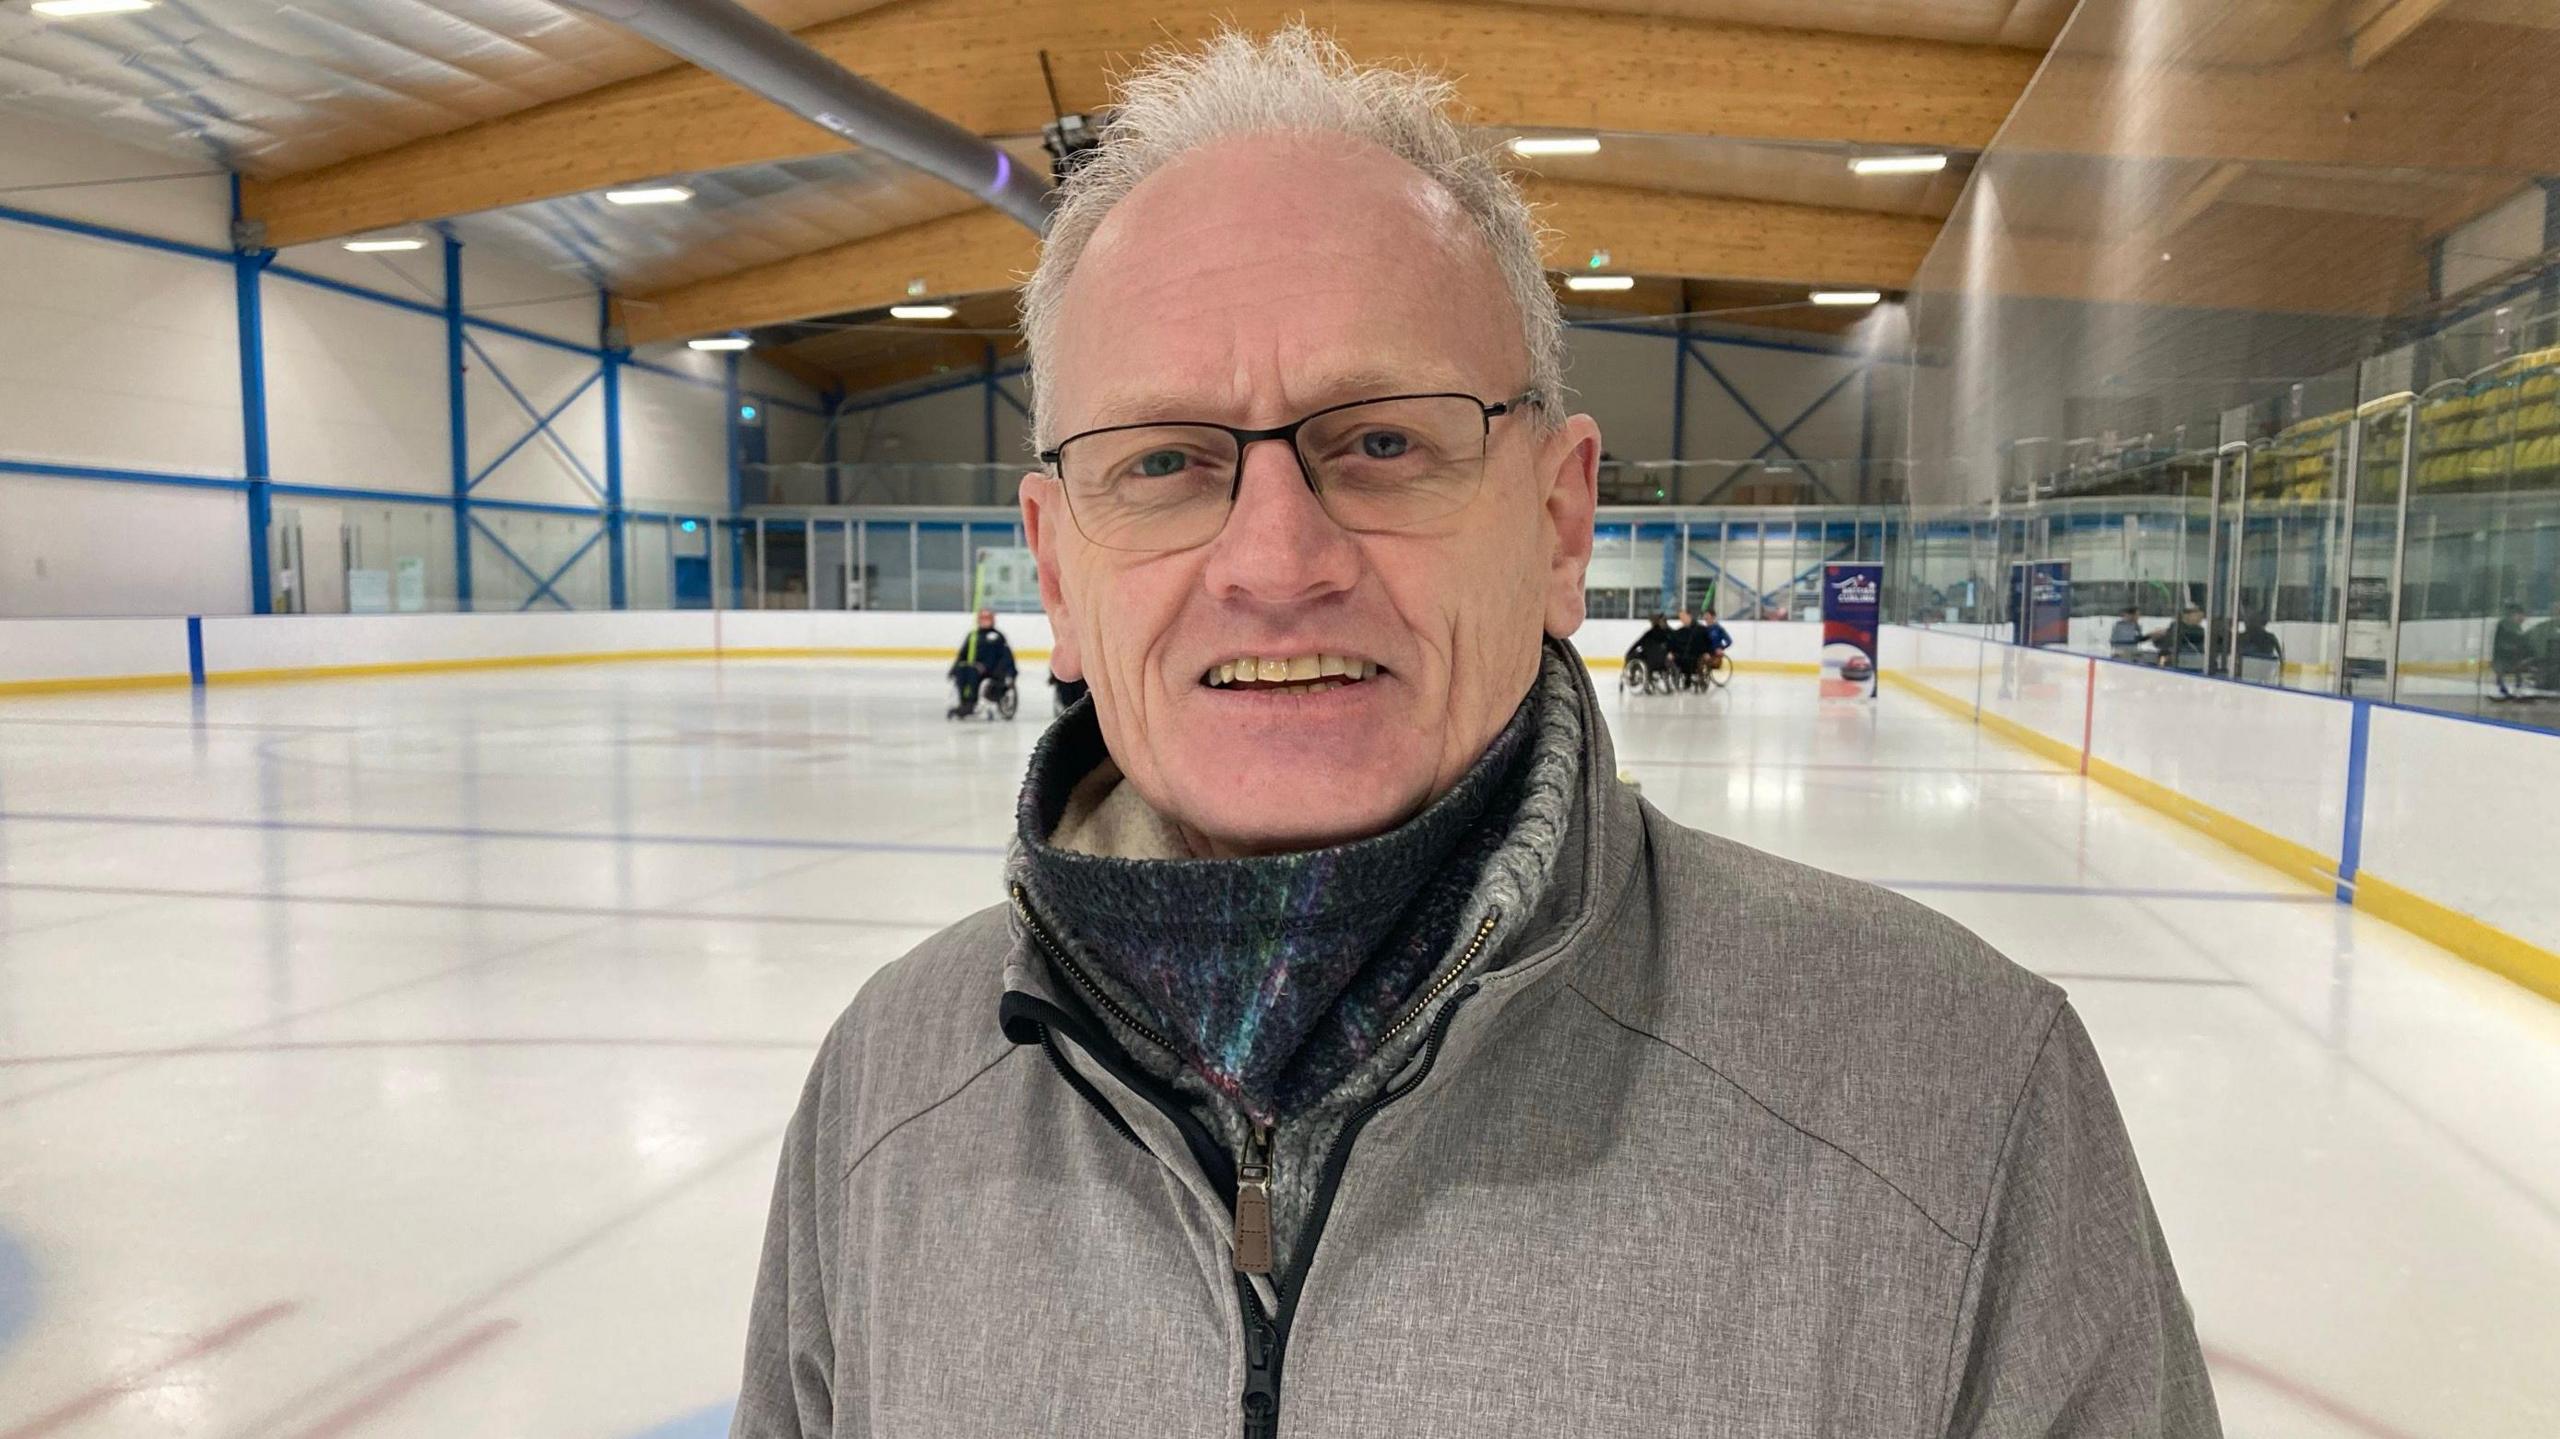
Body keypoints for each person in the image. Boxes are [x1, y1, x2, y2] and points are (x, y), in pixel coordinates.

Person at [733, 26, 2217, 1439]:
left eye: (1382, 440)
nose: (1273, 558)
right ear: (1058, 569)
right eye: (1169, 461)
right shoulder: (883, 1089)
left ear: (1561, 521)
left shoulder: (1960, 1097)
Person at [946, 607, 1016, 718]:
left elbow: (1006, 657)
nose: (985, 620)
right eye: (982, 618)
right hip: (973, 666)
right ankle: (965, 702)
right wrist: (954, 668)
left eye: (988, 618)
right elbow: (962, 654)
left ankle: (971, 702)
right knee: (962, 670)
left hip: (990, 670)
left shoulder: (997, 637)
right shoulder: (972, 636)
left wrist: (1009, 673)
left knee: (972, 672)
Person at [1676, 606, 1733, 684]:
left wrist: (1721, 648)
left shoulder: (1718, 629)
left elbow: (1729, 641)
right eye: (1705, 616)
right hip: (1703, 650)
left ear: (1713, 617)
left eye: (1707, 615)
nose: (1706, 617)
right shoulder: (1702, 628)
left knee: (1701, 659)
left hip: (1713, 652)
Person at [2150, 604, 2208, 672]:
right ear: (2186, 615)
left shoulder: (2199, 630)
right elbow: (2166, 646)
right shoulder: (2176, 628)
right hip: (2181, 666)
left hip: (2196, 665)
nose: (2200, 617)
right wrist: (2156, 639)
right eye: (2197, 614)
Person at [2493, 601, 2532, 700]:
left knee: (2517, 667)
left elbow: (2521, 640)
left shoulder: (2514, 625)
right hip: (2503, 654)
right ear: (2515, 614)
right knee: (2506, 668)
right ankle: (2503, 688)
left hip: (2510, 654)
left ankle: (2515, 687)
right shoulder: (2505, 624)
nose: (2523, 619)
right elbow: (2514, 639)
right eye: (2521, 616)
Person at [1623, 610, 1676, 681]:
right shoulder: (1671, 633)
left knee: (1633, 656)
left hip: (1651, 661)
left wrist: (1628, 653)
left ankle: (1632, 678)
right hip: (1664, 661)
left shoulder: (1649, 634)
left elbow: (1638, 643)